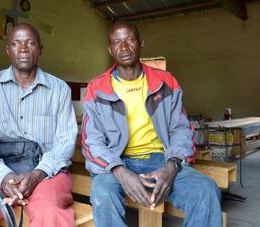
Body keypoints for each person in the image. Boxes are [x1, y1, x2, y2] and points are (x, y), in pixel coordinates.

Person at [81, 21, 222, 227]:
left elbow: (181, 129)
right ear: (110, 50)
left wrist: (172, 166)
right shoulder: (97, 88)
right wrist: (120, 170)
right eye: (117, 42)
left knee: (205, 189)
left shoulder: (165, 82)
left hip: (161, 160)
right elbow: (91, 140)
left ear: (141, 44)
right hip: (117, 162)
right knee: (102, 192)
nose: (124, 47)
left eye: (130, 40)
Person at [0, 23, 77, 227]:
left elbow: (65, 141)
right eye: (16, 43)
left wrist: (38, 173)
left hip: (46, 170)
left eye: (30, 43)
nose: (23, 49)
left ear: (40, 49)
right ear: (7, 50)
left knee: (50, 214)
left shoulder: (59, 89)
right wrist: (3, 175)